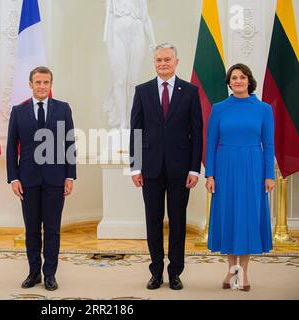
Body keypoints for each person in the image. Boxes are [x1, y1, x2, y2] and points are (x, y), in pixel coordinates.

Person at [130, 43, 203, 290]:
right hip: (149, 169)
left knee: (178, 222)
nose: (163, 63)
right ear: (154, 62)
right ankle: (155, 271)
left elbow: (197, 133)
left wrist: (194, 169)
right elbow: (136, 131)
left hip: (181, 170)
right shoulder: (142, 91)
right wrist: (135, 167)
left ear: (176, 62)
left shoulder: (191, 92)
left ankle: (175, 272)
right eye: (159, 60)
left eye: (167, 59)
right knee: (153, 221)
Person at [205, 63, 275, 292]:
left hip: (253, 167)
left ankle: (243, 272)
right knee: (229, 216)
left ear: (249, 80)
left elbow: (269, 144)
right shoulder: (218, 109)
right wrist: (210, 174)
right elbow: (211, 143)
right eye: (233, 77)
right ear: (229, 82)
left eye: (242, 77)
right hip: (225, 167)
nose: (237, 81)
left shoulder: (264, 109)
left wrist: (269, 175)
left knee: (247, 217)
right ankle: (230, 268)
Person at [6, 66, 77, 291]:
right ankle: (34, 272)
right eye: (38, 82)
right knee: (32, 229)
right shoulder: (18, 111)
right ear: (30, 84)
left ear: (50, 84)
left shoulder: (63, 109)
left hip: (56, 178)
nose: (42, 86)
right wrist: (13, 178)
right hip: (28, 179)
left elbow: (69, 144)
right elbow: (11, 149)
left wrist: (70, 176)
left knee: (53, 229)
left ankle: (50, 274)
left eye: (46, 82)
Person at [103, 0, 156, 129]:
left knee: (133, 82)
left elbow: (145, 17)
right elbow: (108, 14)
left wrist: (153, 42)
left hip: (137, 33)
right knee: (120, 80)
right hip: (117, 33)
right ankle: (122, 121)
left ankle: (131, 119)